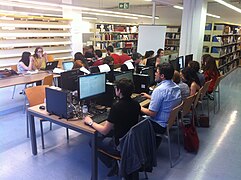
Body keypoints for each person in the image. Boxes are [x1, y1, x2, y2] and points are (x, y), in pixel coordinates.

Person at [84, 78, 141, 176]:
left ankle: (112, 164)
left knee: (92, 141)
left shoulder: (117, 107)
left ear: (119, 91)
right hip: (131, 141)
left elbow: (105, 131)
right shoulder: (136, 104)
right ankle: (114, 163)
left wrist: (90, 122)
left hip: (120, 146)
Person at [141, 63, 181, 146]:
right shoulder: (176, 87)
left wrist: (138, 107)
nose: (155, 74)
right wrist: (149, 97)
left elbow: (152, 113)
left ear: (162, 76)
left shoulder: (159, 90)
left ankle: (139, 148)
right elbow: (165, 102)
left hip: (159, 125)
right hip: (168, 122)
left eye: (157, 72)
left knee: (134, 118)